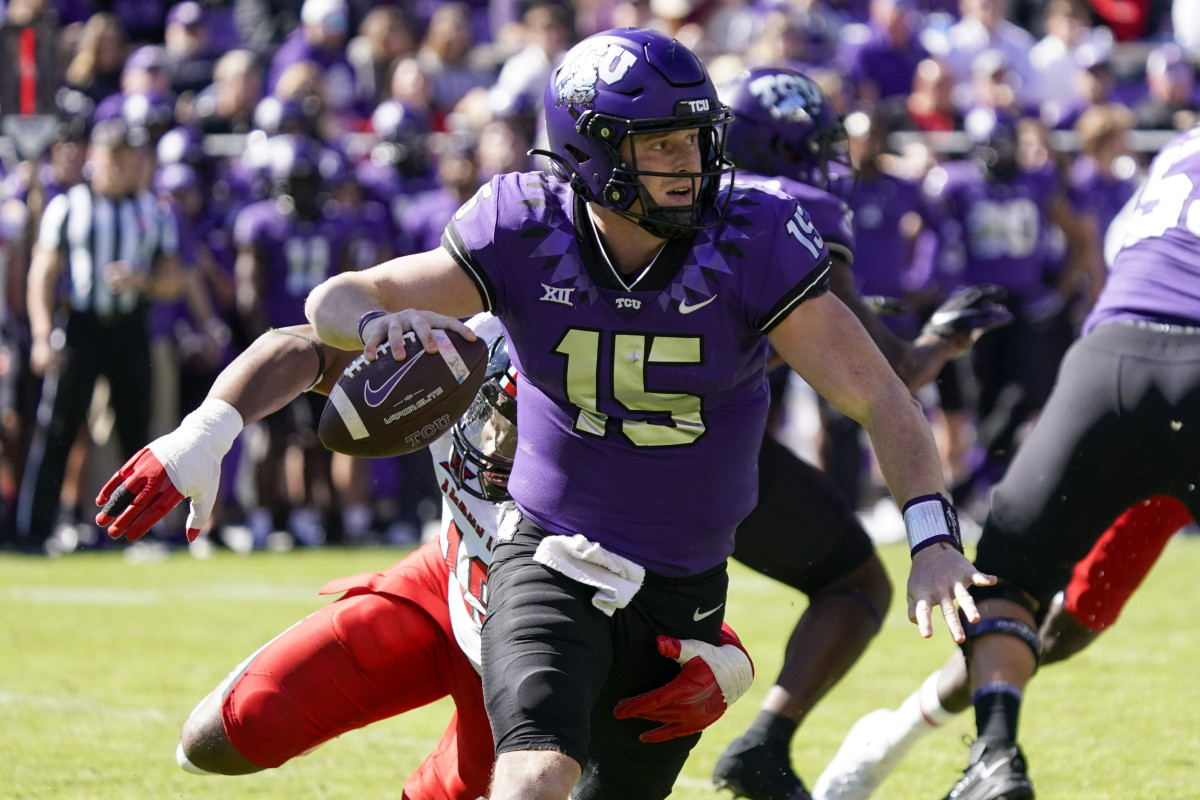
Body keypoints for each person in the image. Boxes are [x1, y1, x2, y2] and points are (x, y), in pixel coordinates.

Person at [304, 28, 991, 800]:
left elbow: (881, 397)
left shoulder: (752, 235)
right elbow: (338, 295)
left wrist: (933, 540)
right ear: (592, 152)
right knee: (535, 773)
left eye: (697, 140)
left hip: (682, 589)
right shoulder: (523, 224)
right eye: (659, 145)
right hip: (548, 556)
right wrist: (375, 323)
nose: (689, 164)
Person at [95, 313, 756, 799]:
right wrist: (205, 434)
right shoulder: (465, 353)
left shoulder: (638, 461)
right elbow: (298, 346)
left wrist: (731, 659)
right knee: (216, 740)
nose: (504, 447)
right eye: (503, 422)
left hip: (534, 656)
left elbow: (673, 589)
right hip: (444, 580)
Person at [710, 65, 1012, 800]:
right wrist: (946, 339)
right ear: (784, 147)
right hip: (711, 447)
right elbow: (889, 372)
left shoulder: (684, 194)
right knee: (858, 584)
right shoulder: (795, 202)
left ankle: (755, 750)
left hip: (602, 438)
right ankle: (764, 743)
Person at [919, 122, 1200, 800]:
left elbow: (1119, 246)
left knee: (1009, 574)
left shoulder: (1178, 149)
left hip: (1111, 355)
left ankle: (994, 756)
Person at [811, 496, 1192, 800]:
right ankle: (904, 741)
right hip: (1129, 441)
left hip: (1176, 476)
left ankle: (901, 735)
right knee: (1015, 605)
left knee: (1062, 634)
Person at [16, 118, 182, 553]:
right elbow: (43, 272)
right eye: (115, 159)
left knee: (136, 433)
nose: (123, 168)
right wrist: (39, 333)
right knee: (58, 428)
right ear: (96, 159)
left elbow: (172, 279)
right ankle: (35, 531)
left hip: (129, 326)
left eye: (129, 159)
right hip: (80, 325)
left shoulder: (153, 210)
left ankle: (134, 533)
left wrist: (140, 280)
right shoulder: (69, 206)